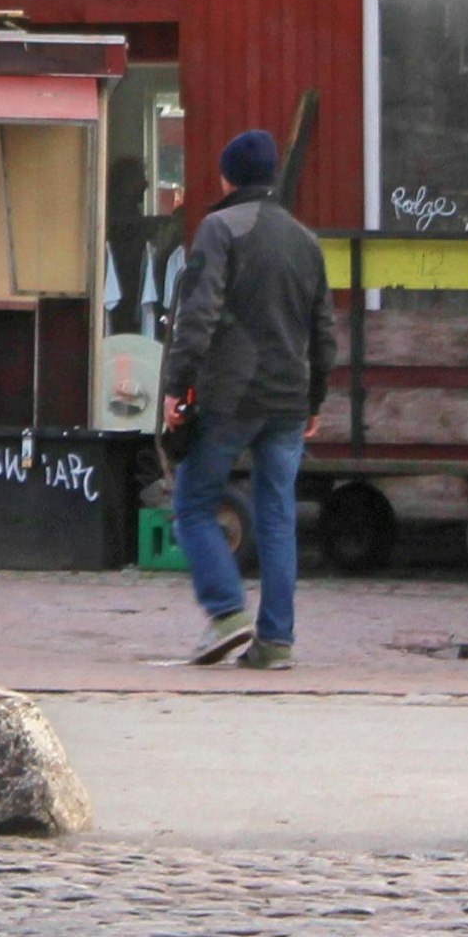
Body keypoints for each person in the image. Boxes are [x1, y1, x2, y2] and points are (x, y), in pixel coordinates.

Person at [160, 127, 334, 670]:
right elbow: (323, 329)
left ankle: (227, 613)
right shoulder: (305, 241)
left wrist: (176, 386)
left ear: (227, 176)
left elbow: (198, 315)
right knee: (278, 516)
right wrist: (314, 399)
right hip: (287, 400)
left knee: (192, 504)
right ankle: (276, 642)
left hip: (230, 396)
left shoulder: (220, 228)